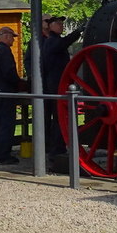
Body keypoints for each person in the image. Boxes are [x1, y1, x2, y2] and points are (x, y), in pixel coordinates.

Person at [41, 16, 83, 156]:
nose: (61, 26)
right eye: (58, 23)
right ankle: (56, 149)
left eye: (61, 23)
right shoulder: (51, 42)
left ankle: (59, 147)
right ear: (50, 26)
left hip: (60, 82)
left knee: (61, 117)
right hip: (56, 83)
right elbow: (64, 43)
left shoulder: (54, 41)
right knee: (59, 117)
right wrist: (78, 32)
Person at [0, 26, 23, 164]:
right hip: (6, 91)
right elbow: (9, 73)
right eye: (12, 37)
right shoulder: (5, 52)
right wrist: (19, 83)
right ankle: (3, 154)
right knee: (7, 124)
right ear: (7, 36)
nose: (13, 40)